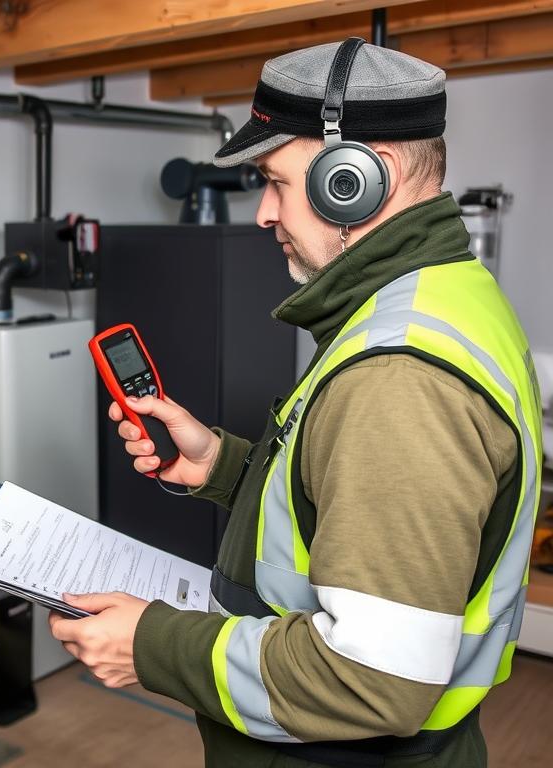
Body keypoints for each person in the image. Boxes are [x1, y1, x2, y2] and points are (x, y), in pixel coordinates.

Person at [49, 38, 543, 767]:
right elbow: (348, 497)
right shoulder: (444, 295)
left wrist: (150, 645)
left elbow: (370, 683)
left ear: (358, 180)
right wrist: (223, 467)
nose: (263, 212)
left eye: (276, 182)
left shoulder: (398, 379)